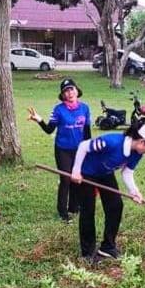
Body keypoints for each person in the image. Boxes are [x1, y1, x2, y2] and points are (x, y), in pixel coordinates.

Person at [70, 121, 145, 261]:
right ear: (142, 142)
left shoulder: (136, 153)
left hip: (105, 174)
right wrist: (76, 171)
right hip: (86, 172)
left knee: (115, 205)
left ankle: (107, 247)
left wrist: (134, 191)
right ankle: (87, 253)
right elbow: (83, 146)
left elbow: (127, 172)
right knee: (88, 209)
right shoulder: (111, 142)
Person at [28, 78, 91, 223]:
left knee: (77, 178)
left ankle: (74, 207)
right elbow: (50, 130)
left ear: (77, 90)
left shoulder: (85, 108)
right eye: (66, 91)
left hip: (80, 150)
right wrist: (39, 120)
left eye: (71, 89)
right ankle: (63, 211)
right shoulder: (58, 109)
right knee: (66, 179)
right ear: (62, 95)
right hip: (62, 149)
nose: (69, 93)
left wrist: (88, 151)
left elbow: (87, 132)